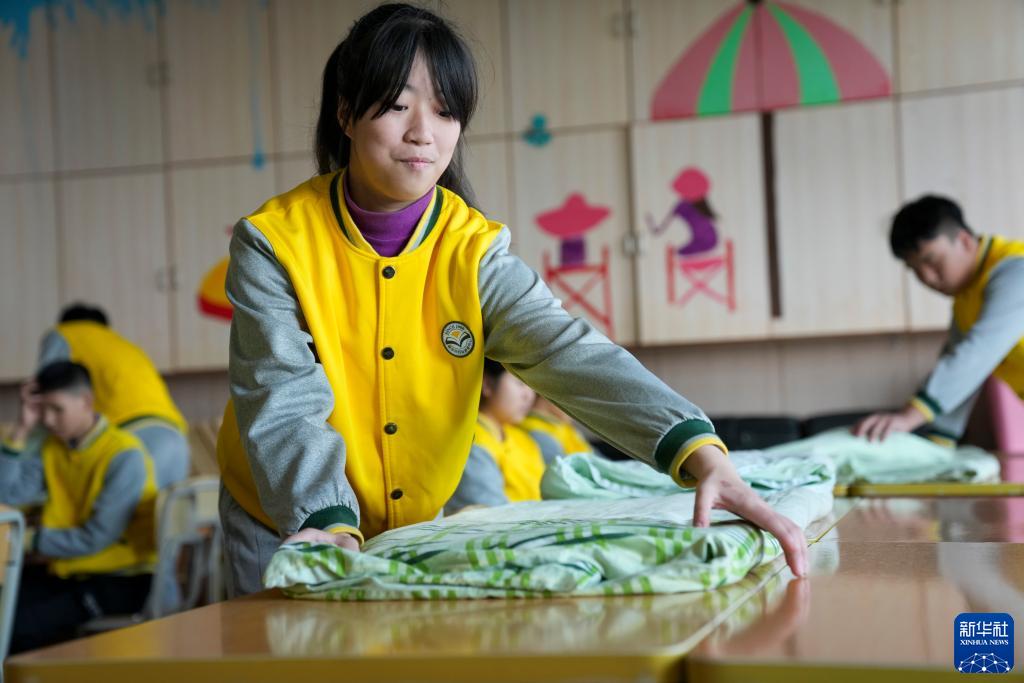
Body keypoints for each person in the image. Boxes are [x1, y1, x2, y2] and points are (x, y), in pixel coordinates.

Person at [216, 2, 807, 596]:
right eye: (397, 105)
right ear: (345, 113)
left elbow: (565, 351)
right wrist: (325, 521)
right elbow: (283, 398)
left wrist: (704, 455)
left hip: (410, 524)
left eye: (446, 111)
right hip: (289, 522)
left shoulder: (474, 249)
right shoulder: (274, 242)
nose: (424, 132)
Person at [0, 362, 157, 653]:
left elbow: (97, 537)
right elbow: (6, 495)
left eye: (56, 409)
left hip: (120, 579)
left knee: (15, 627)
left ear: (86, 401)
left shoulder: (124, 454)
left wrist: (28, 540)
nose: (48, 420)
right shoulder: (52, 447)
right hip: (66, 570)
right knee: (4, 603)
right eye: (42, 409)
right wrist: (21, 429)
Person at [854, 196, 1024, 444]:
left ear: (964, 241)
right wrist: (938, 444)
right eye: (915, 269)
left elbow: (978, 353)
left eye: (931, 260)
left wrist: (908, 417)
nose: (927, 277)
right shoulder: (967, 300)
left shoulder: (1016, 272)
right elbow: (959, 372)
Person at [39, 303, 190, 488]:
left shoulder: (62, 333)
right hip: (176, 435)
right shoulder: (124, 345)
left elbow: (47, 388)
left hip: (132, 433)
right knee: (166, 506)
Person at [446, 360, 545, 512]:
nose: (528, 395)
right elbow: (493, 513)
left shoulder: (525, 440)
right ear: (487, 384)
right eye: (519, 383)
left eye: (531, 385)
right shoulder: (470, 441)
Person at [521, 394, 593, 463]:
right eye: (570, 399)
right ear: (547, 396)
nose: (576, 406)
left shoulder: (563, 427)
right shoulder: (537, 432)